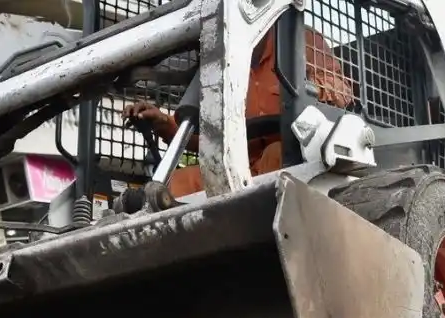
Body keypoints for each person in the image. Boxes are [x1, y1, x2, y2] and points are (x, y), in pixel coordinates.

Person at [122, 28, 354, 198]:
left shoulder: (300, 39)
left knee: (276, 155)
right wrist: (163, 122)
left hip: (296, 153)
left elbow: (342, 92)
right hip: (239, 165)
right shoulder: (221, 64)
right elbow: (210, 140)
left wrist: (305, 91)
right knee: (177, 184)